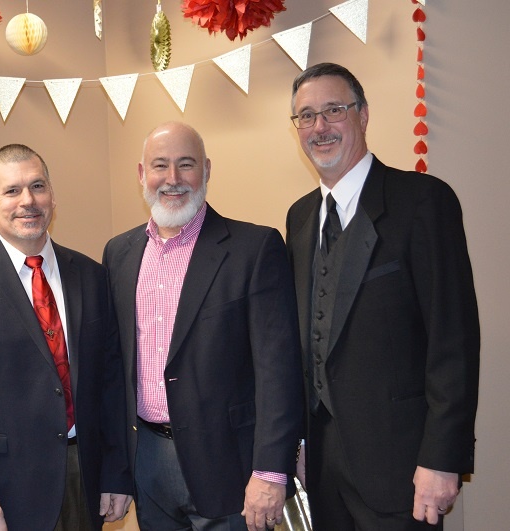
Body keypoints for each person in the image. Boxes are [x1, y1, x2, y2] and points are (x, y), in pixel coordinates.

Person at [286, 62, 480, 530]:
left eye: (334, 110)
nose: (320, 127)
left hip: (402, 469)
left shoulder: (422, 202)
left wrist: (442, 459)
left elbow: (453, 341)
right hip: (322, 471)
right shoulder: (299, 218)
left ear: (364, 114)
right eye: (306, 116)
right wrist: (298, 445)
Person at [102, 121, 304, 531]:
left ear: (207, 171)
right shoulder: (118, 253)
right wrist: (115, 466)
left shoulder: (254, 248)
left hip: (230, 467)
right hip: (147, 461)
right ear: (142, 174)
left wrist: (270, 470)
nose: (172, 179)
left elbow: (277, 371)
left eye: (186, 164)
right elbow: (111, 370)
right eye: (160, 165)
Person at [0, 144, 133, 531]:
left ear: (53, 196)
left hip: (84, 478)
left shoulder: (89, 274)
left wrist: (117, 473)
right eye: (12, 190)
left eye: (37, 186)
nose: (28, 201)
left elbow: (112, 381)